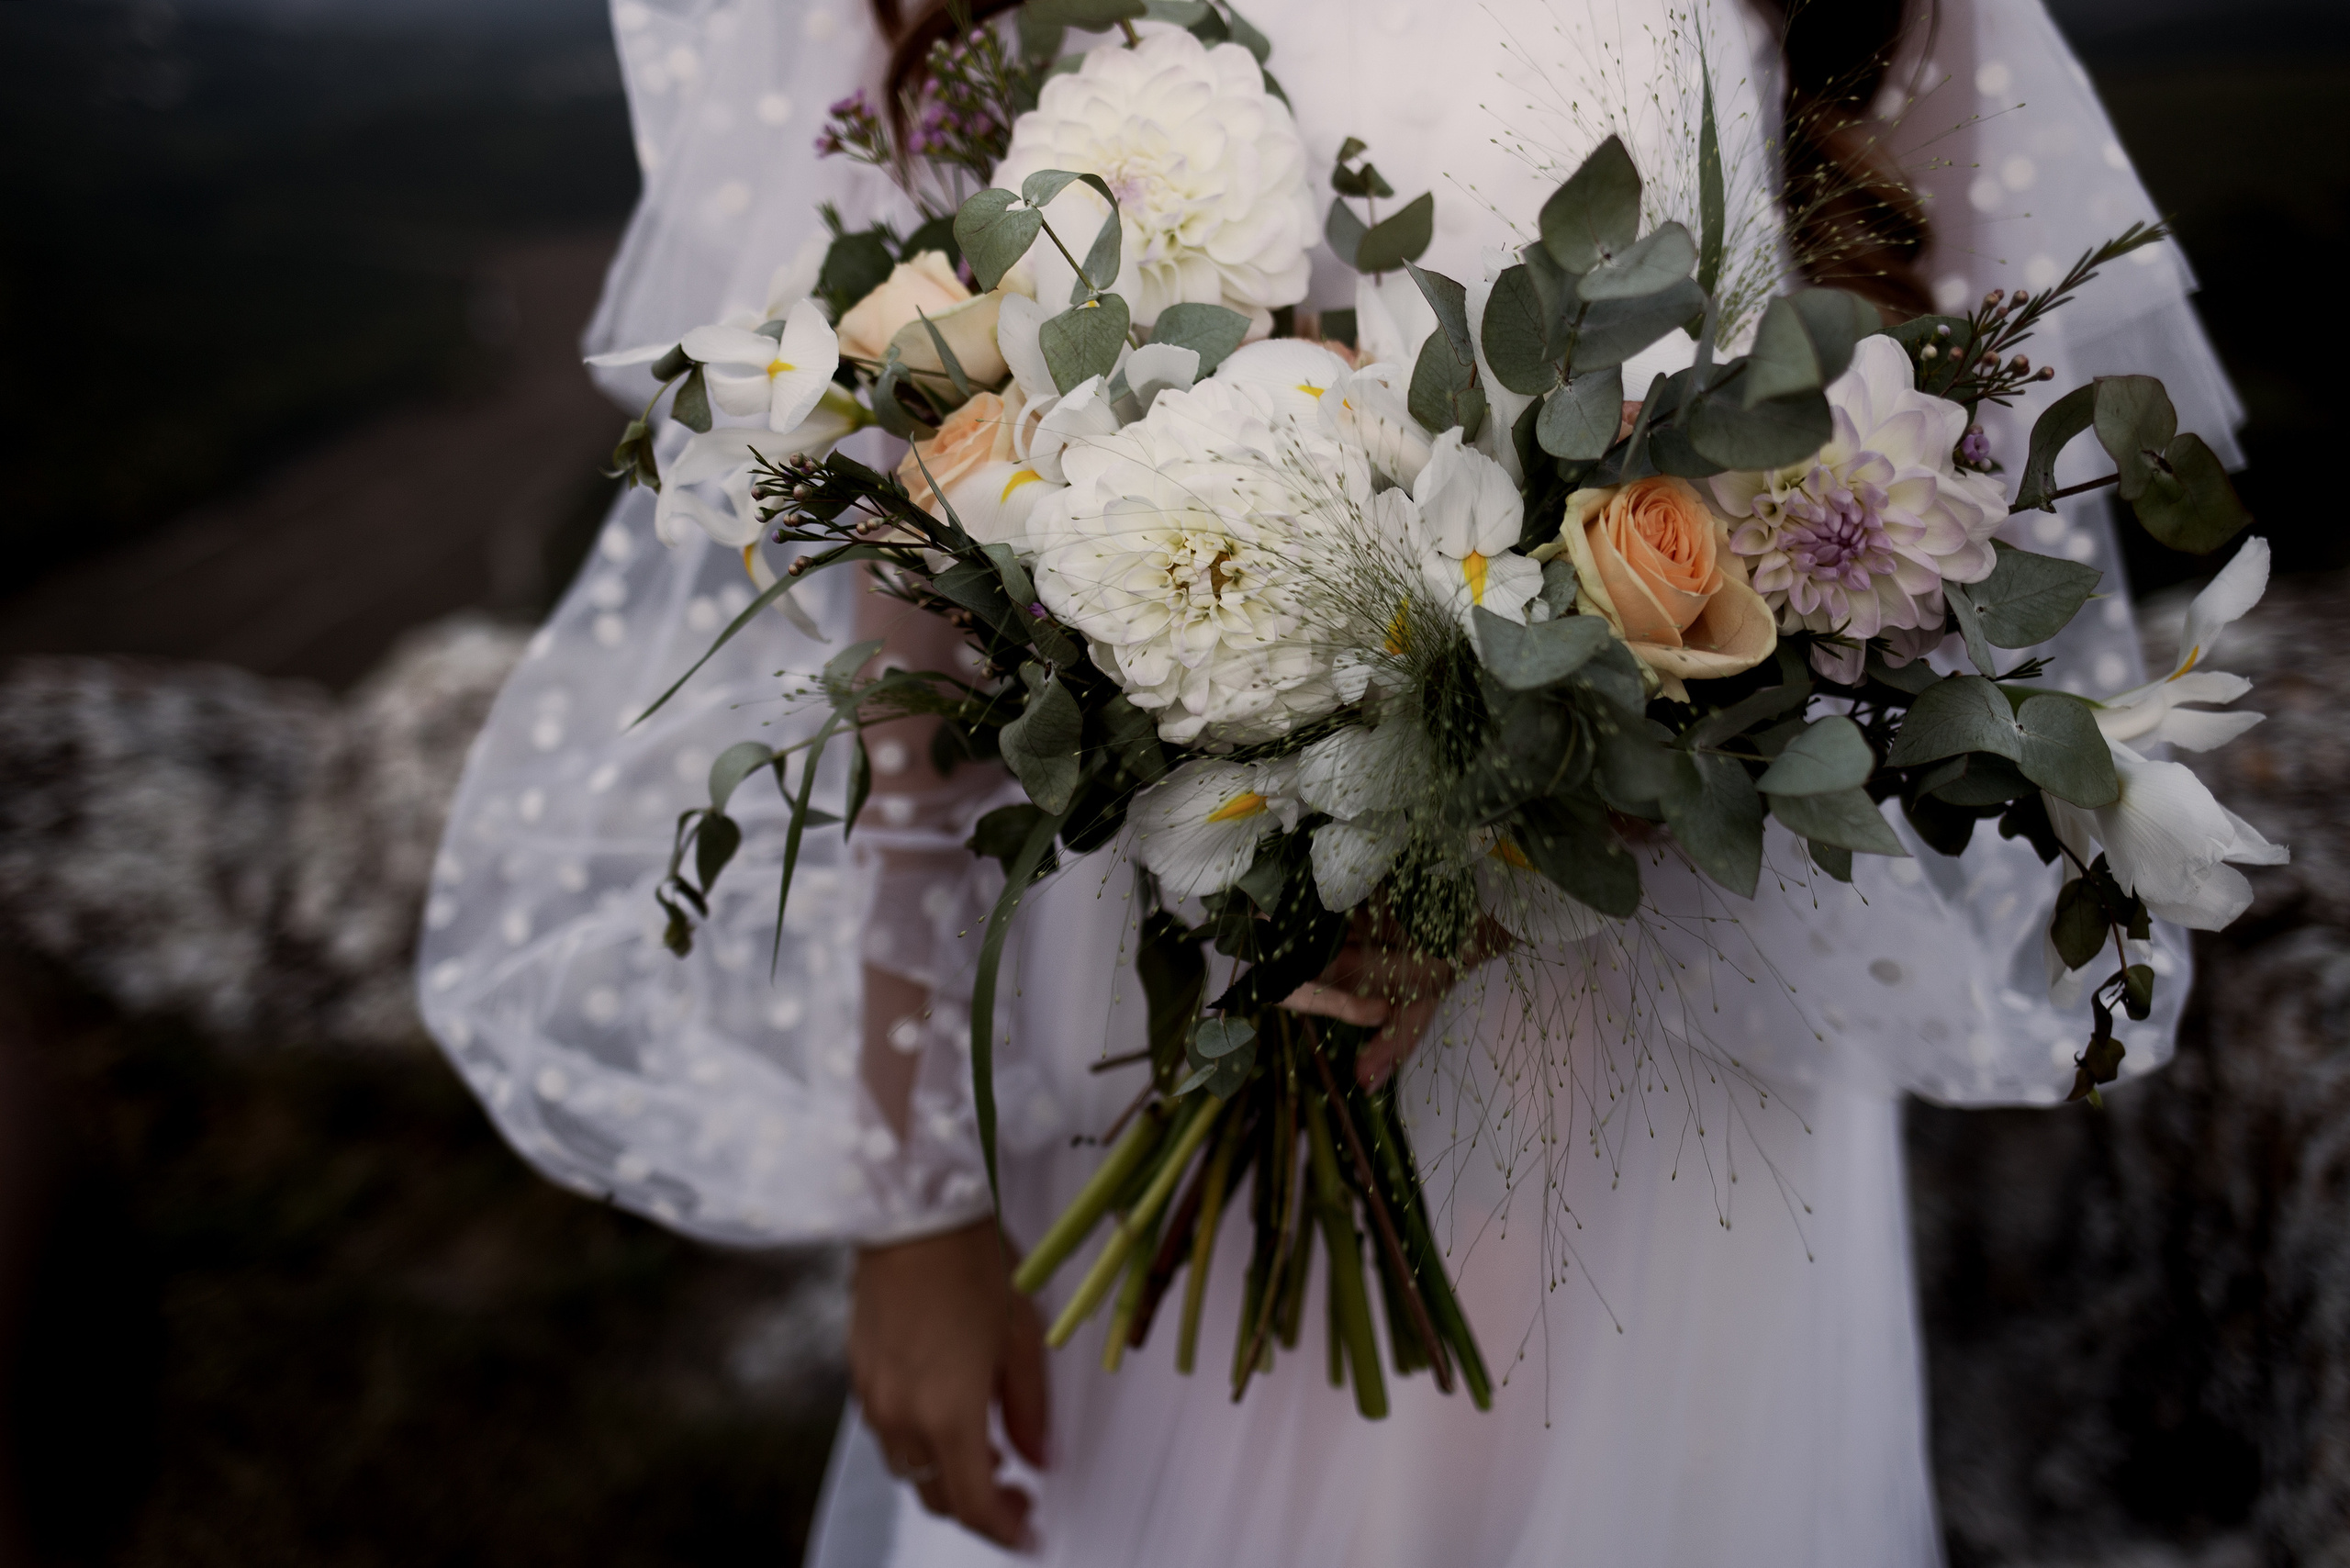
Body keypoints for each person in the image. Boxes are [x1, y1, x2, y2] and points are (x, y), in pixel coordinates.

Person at [416, 0, 2243, 1562]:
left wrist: (1551, 793)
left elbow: (1951, 452)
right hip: (1168, 1007)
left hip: (1655, 1055)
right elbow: (909, 563)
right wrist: (917, 1200)